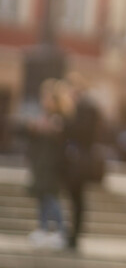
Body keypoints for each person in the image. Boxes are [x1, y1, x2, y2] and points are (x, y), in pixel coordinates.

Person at [24, 78, 74, 250]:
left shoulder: (60, 119)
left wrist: (48, 130)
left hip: (52, 166)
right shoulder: (44, 117)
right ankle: (43, 229)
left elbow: (62, 142)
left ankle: (61, 230)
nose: (44, 101)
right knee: (42, 197)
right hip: (41, 164)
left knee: (51, 198)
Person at [63, 72, 105, 250]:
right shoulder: (87, 106)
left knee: (77, 198)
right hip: (81, 159)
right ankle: (73, 234)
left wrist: (65, 126)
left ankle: (74, 235)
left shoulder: (85, 107)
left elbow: (82, 132)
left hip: (81, 160)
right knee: (76, 198)